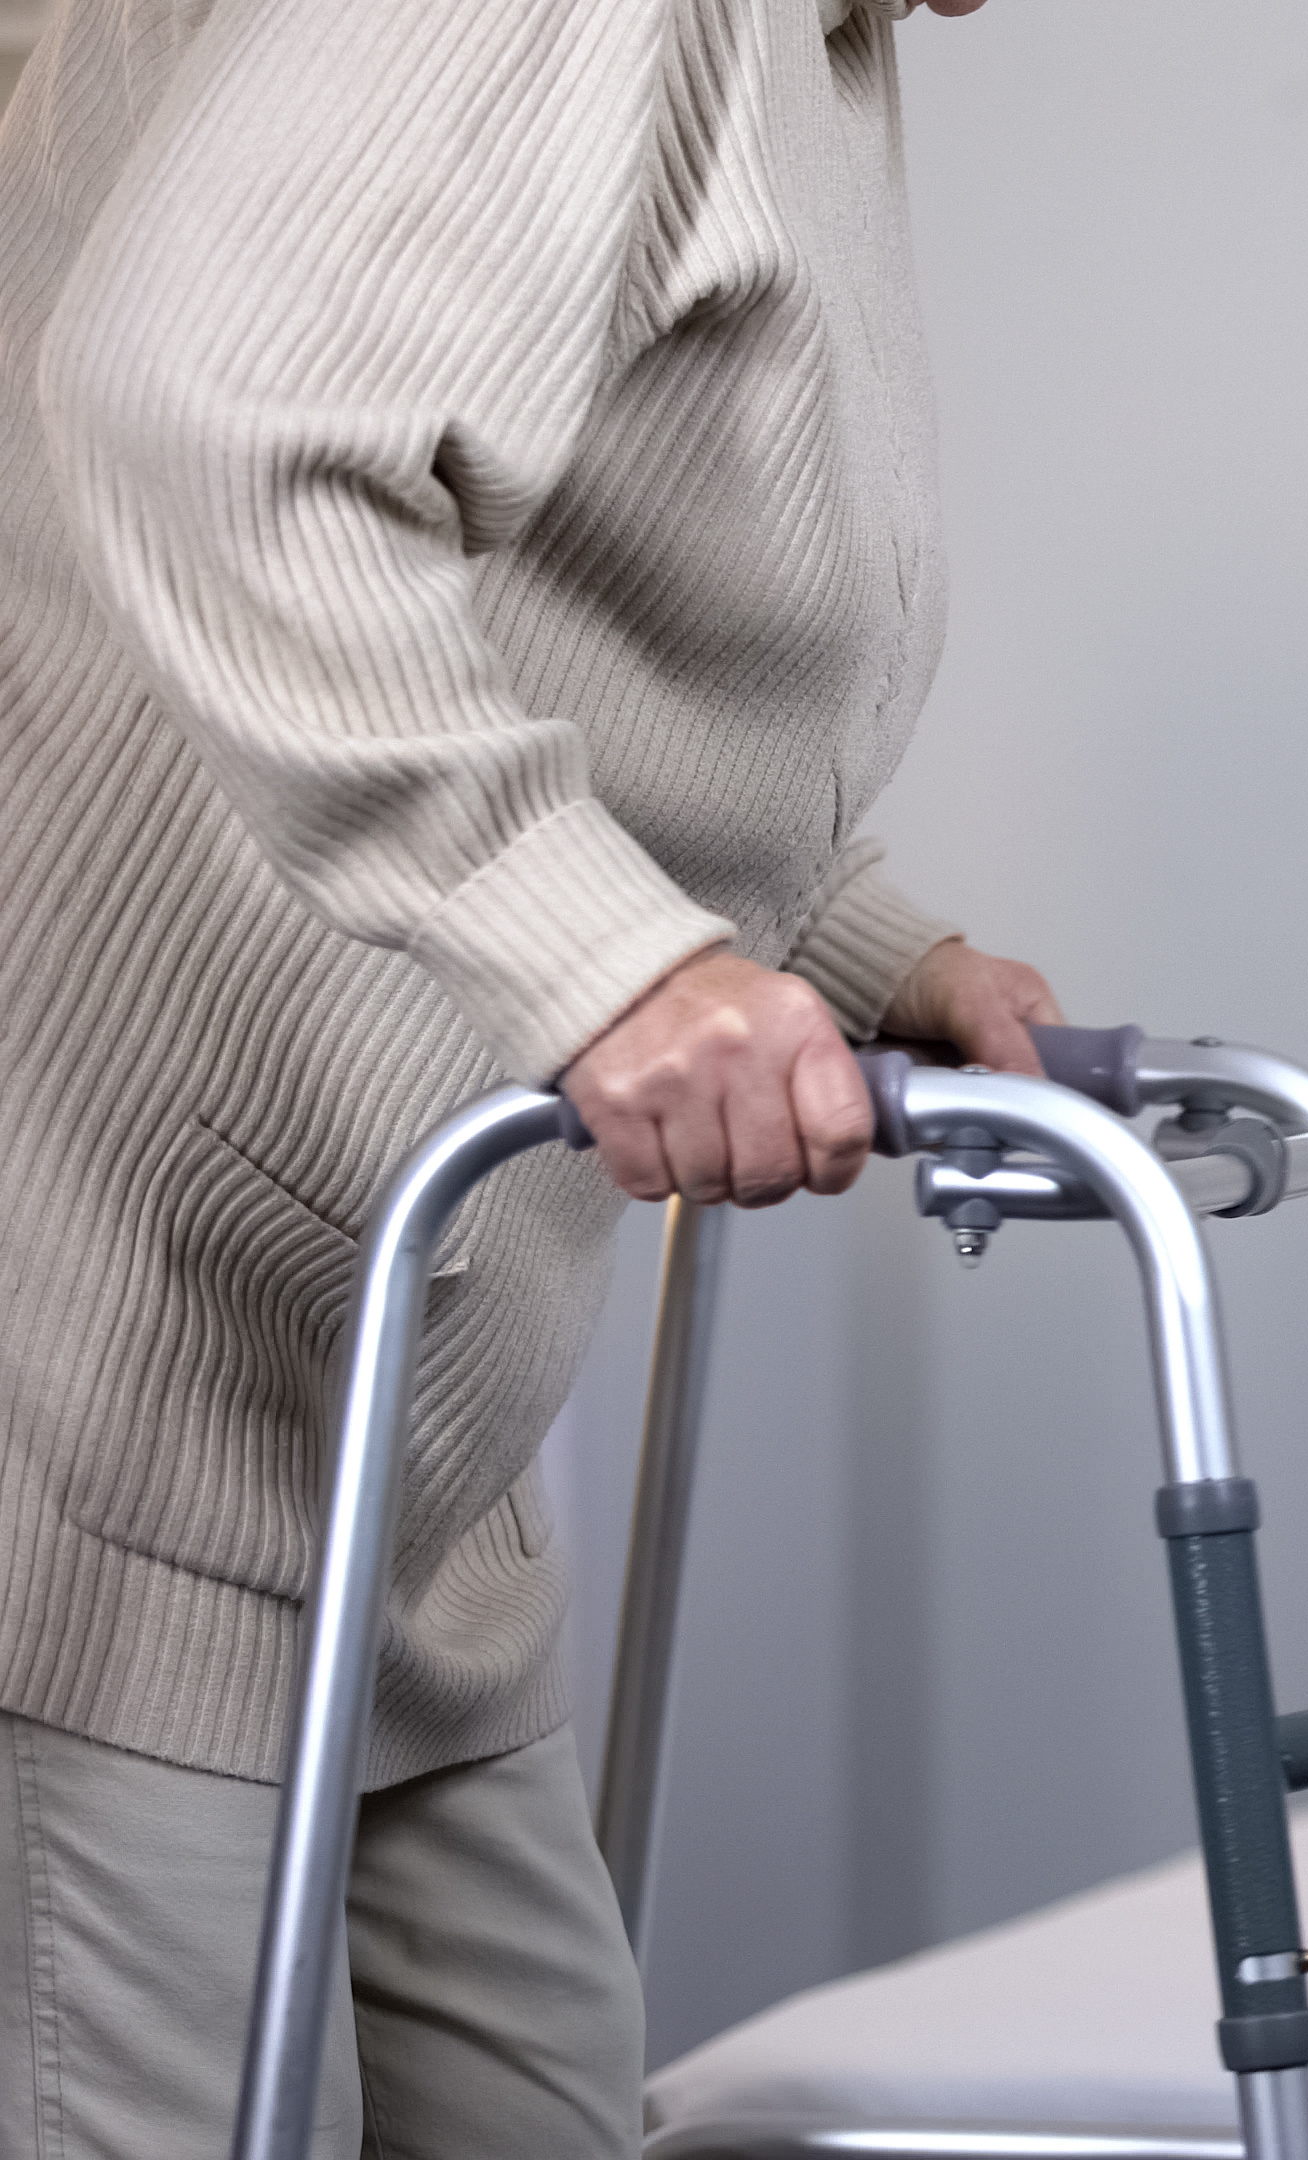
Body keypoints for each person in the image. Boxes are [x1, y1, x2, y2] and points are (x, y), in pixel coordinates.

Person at [0, 0, 1035, 2148]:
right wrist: (611, 968)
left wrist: (840, 944)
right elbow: (203, 422)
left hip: (379, 1405)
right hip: (102, 1393)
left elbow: (558, 584)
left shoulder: (814, 50)